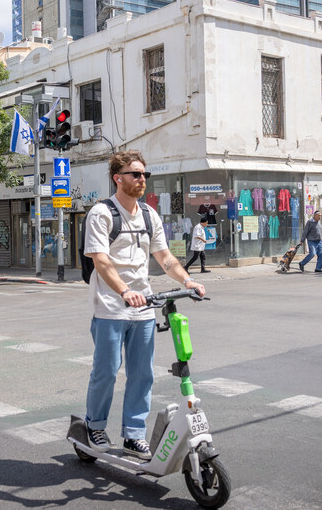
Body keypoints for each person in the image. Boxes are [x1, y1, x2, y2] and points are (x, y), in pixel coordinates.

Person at [83, 150, 204, 460]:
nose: (141, 179)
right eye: (135, 174)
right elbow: (101, 261)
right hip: (110, 307)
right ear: (117, 178)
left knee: (142, 374)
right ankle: (94, 425)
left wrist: (186, 281)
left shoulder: (150, 215)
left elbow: (165, 258)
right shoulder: (102, 213)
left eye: (144, 175)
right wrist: (124, 291)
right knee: (107, 371)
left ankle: (133, 435)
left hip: (144, 307)